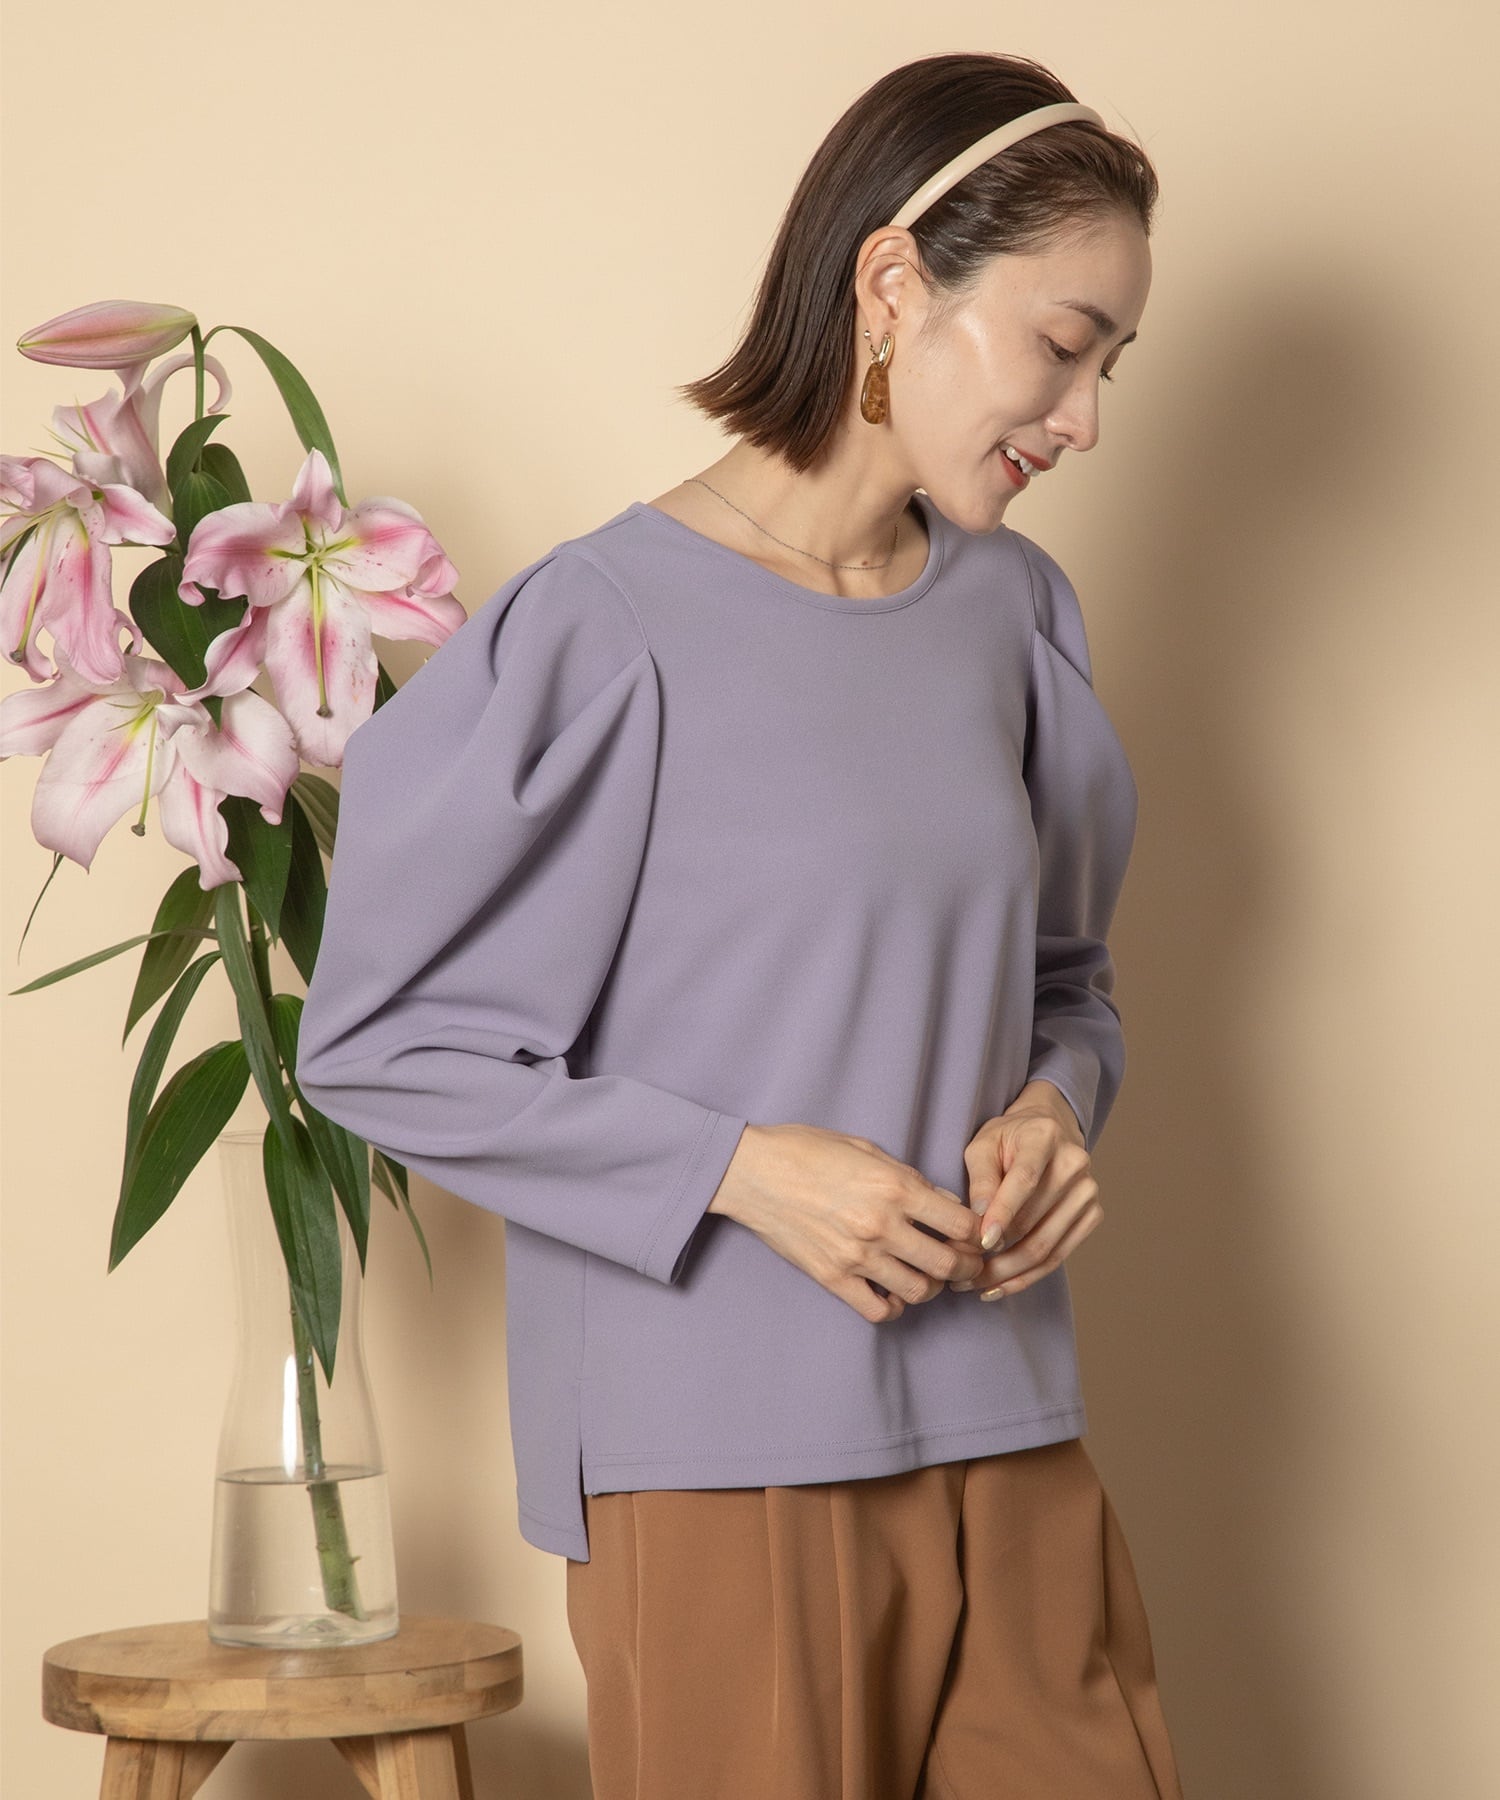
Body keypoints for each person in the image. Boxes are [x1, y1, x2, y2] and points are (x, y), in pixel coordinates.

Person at [296, 48, 1185, 1800]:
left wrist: (1057, 1107)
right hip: (717, 1454)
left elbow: (1069, 983)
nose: (1085, 416)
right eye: (1063, 345)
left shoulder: (1014, 613)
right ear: (892, 283)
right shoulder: (600, 628)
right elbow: (378, 1046)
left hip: (1008, 1417)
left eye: (1112, 367)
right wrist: (744, 1171)